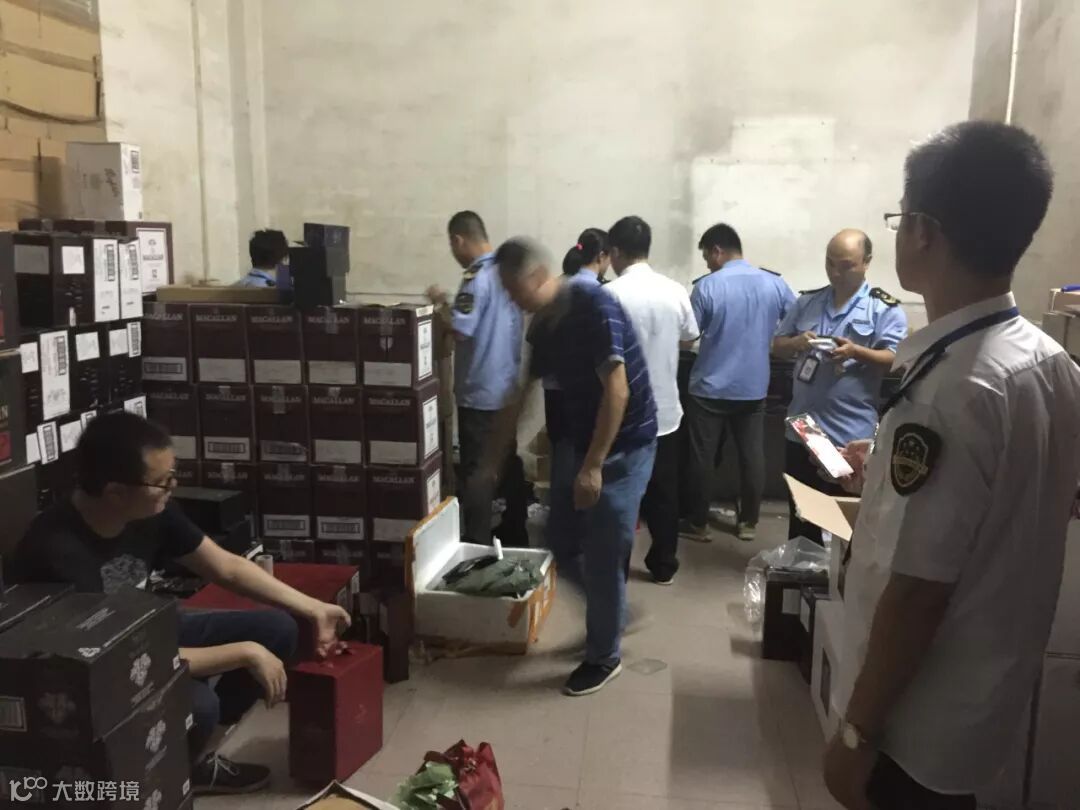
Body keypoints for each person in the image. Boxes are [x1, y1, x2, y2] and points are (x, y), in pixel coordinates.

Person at [823, 121, 1080, 810]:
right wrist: (883, 470)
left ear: (922, 232)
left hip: (911, 722)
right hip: (980, 703)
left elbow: (917, 593)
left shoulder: (949, 391)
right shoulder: (1050, 362)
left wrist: (854, 735)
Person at [8, 412, 352, 797]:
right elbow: (113, 660)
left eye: (173, 475)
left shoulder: (148, 509)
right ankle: (170, 773)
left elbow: (227, 567)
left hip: (146, 628)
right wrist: (243, 653)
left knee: (279, 630)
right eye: (162, 481)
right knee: (200, 705)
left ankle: (196, 761)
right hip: (91, 672)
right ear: (115, 492)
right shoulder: (56, 552)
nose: (172, 487)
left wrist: (312, 607)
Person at [480, 237, 657, 696]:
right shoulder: (544, 324)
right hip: (580, 438)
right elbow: (521, 394)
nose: (512, 301)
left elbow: (618, 390)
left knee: (602, 551)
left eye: (514, 290)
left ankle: (604, 656)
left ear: (538, 277)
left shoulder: (593, 306)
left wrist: (594, 467)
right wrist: (492, 461)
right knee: (559, 540)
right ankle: (614, 612)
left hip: (625, 444)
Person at [772, 230, 908, 545]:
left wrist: (856, 352)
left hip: (849, 438)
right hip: (804, 431)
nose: (835, 273)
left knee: (845, 527)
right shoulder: (808, 302)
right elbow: (777, 345)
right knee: (802, 520)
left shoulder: (882, 308)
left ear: (866, 262)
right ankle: (800, 571)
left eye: (845, 265)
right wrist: (797, 342)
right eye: (830, 263)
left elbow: (897, 360)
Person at [683, 224, 795, 542]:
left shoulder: (707, 287)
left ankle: (698, 523)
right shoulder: (775, 284)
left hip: (708, 389)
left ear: (717, 251)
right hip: (752, 387)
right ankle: (748, 523)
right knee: (752, 456)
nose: (708, 264)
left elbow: (689, 336)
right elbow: (796, 321)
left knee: (703, 457)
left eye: (707, 257)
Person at [603, 216, 699, 585]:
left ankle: (616, 567)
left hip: (624, 413)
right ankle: (663, 565)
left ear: (615, 251)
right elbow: (690, 337)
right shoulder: (674, 291)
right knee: (663, 493)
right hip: (667, 411)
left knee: (621, 494)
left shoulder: (610, 295)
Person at [427, 211, 527, 546]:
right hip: (507, 391)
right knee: (507, 463)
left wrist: (441, 304)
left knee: (477, 472)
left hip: (480, 394)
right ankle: (515, 532)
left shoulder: (476, 277)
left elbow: (461, 328)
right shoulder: (508, 272)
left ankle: (477, 543)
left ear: (458, 240)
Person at [546, 229, 611, 475]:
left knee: (560, 453)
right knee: (584, 456)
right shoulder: (601, 294)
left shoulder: (555, 290)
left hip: (554, 387)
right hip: (585, 391)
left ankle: (561, 497)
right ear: (601, 256)